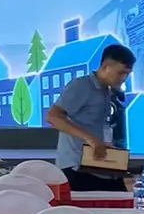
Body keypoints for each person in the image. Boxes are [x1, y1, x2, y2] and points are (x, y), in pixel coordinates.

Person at [45, 42, 134, 191]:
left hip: (99, 165)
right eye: (120, 73)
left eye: (128, 74)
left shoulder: (106, 90)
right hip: (77, 167)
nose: (124, 78)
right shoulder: (81, 86)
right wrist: (90, 139)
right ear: (105, 66)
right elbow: (52, 116)